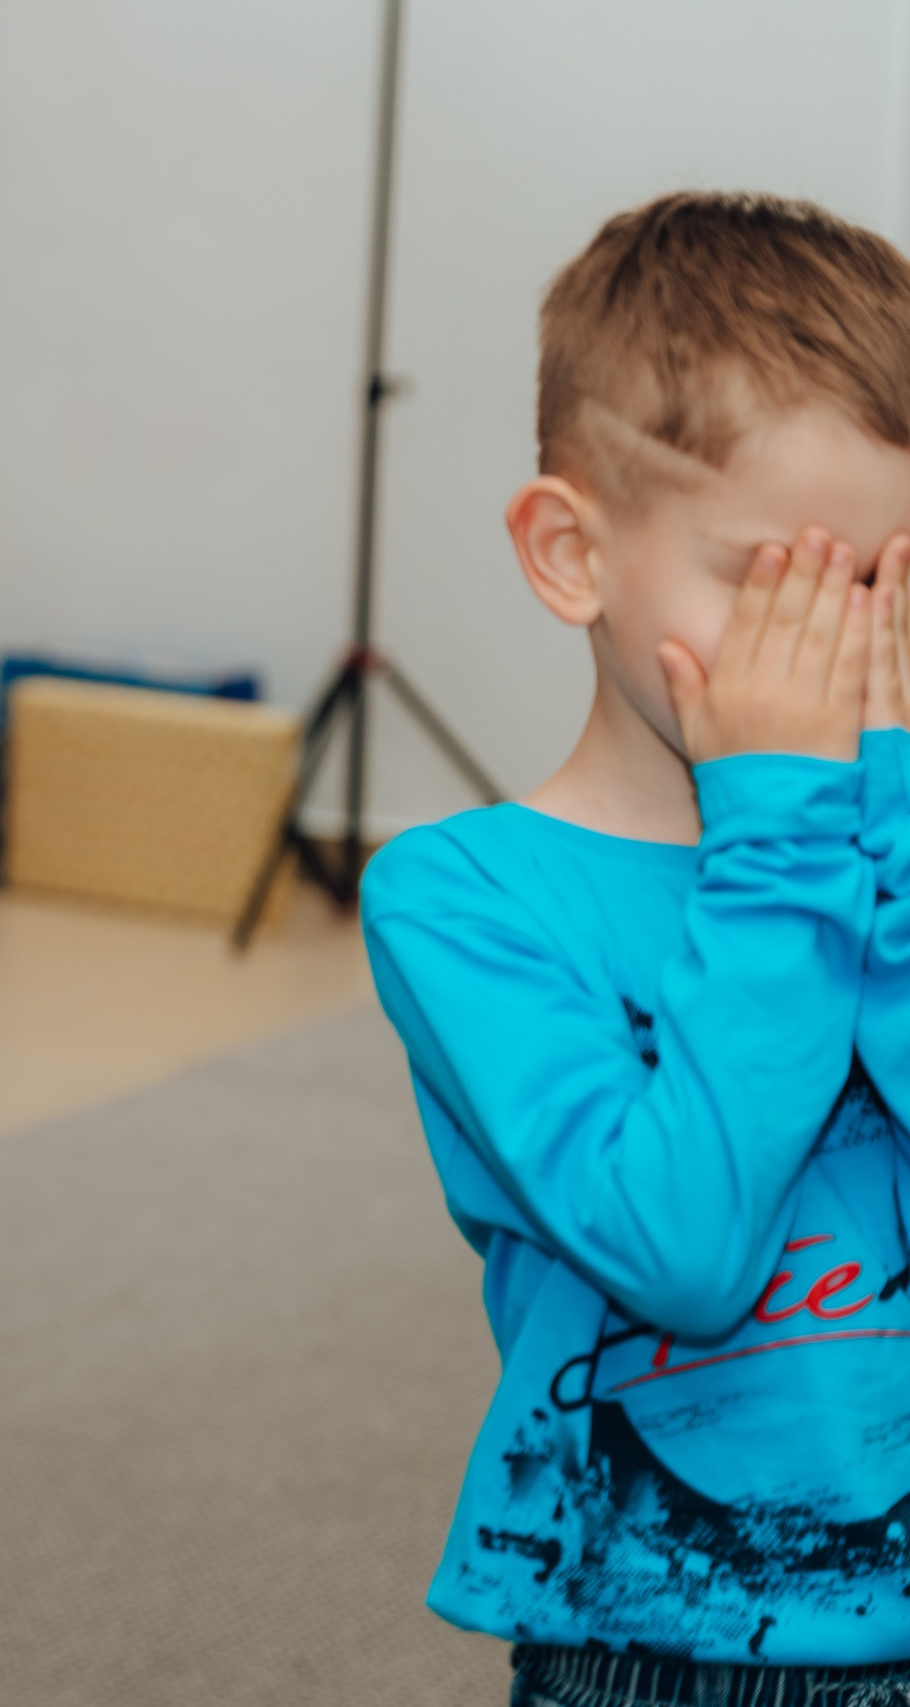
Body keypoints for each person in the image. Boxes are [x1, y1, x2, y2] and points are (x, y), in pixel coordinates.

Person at [362, 191, 910, 1698]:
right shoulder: (462, 897)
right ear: (570, 555)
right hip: (661, 1635)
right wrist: (791, 835)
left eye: (883, 586)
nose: (842, 645)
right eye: (776, 581)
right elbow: (681, 1245)